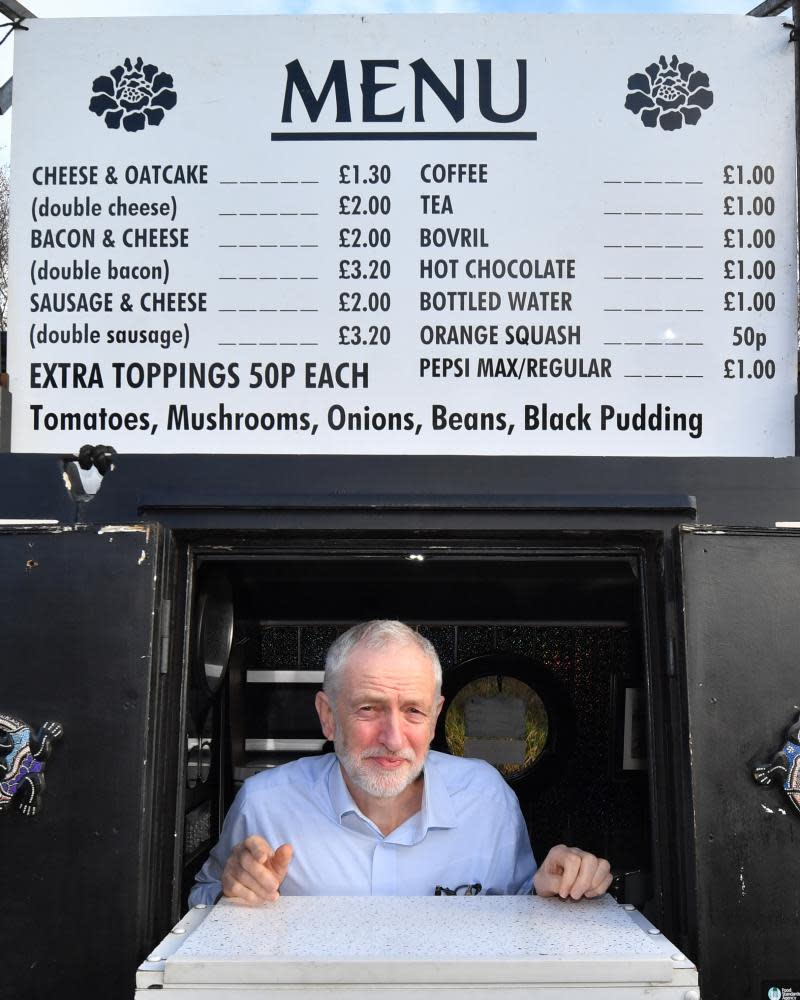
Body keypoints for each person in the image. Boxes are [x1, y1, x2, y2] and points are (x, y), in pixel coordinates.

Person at [189, 620, 612, 906]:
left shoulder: (488, 799)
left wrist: (554, 891)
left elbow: (516, 913)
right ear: (327, 716)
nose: (393, 740)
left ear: (435, 719)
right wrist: (230, 892)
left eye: (413, 711)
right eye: (369, 709)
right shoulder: (265, 804)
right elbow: (202, 902)